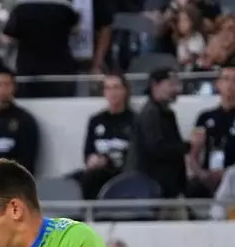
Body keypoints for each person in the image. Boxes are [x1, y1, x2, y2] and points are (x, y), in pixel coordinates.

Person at [128, 68, 189, 199]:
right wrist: (187, 147)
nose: (176, 89)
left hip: (167, 184)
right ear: (155, 85)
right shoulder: (151, 113)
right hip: (154, 185)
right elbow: (157, 147)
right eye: (171, 84)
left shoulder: (167, 114)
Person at [78, 73, 136, 200]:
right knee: (73, 180)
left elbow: (135, 155)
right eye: (108, 88)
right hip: (97, 170)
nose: (112, 92)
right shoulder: (96, 120)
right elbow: (88, 151)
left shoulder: (135, 120)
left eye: (116, 87)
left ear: (125, 91)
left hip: (121, 171)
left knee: (93, 178)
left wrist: (107, 161)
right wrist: (92, 159)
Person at [189, 65, 235, 197]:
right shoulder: (205, 117)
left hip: (232, 176)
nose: (231, 85)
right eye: (226, 79)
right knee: (192, 187)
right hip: (209, 174)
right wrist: (200, 173)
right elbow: (194, 152)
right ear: (218, 84)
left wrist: (227, 173)